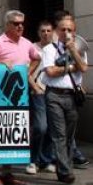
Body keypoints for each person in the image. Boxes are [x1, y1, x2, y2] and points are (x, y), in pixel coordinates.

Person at [0, 10, 38, 185]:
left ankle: (8, 172)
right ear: (7, 25)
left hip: (19, 98)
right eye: (15, 23)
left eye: (22, 23)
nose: (20, 26)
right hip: (0, 96)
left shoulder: (27, 43)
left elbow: (37, 58)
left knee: (14, 133)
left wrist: (27, 73)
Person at [40, 15, 88, 185]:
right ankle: (66, 171)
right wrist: (69, 67)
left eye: (70, 30)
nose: (66, 33)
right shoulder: (49, 50)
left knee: (69, 135)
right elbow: (50, 72)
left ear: (74, 32)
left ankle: (64, 168)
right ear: (57, 32)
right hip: (54, 95)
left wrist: (73, 51)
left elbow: (83, 67)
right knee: (59, 134)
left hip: (71, 96)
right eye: (63, 29)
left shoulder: (80, 49)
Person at [28, 21, 57, 173]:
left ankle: (46, 159)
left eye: (48, 31)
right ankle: (32, 160)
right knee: (41, 126)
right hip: (38, 91)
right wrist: (34, 86)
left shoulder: (57, 48)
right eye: (43, 31)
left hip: (54, 91)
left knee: (52, 128)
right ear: (39, 33)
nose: (46, 33)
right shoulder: (33, 48)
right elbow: (27, 71)